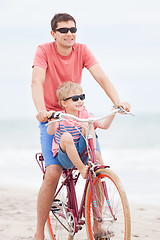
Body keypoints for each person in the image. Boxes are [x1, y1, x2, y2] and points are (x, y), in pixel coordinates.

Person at [31, 13, 130, 240]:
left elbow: (102, 78)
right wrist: (41, 110)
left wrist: (118, 103)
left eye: (73, 30)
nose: (69, 34)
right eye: (63, 30)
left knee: (99, 166)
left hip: (77, 115)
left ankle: (96, 225)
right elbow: (36, 81)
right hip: (53, 118)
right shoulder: (44, 51)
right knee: (53, 173)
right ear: (53, 34)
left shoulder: (82, 51)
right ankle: (39, 232)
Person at [47, 81, 116, 180]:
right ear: (64, 103)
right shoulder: (60, 116)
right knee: (66, 136)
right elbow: (51, 132)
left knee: (88, 123)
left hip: (83, 153)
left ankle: (94, 157)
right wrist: (53, 120)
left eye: (82, 97)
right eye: (75, 99)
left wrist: (114, 110)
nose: (80, 101)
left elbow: (105, 125)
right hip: (66, 158)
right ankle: (82, 169)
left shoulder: (85, 114)